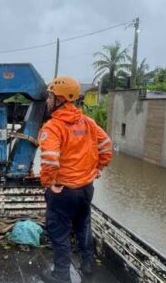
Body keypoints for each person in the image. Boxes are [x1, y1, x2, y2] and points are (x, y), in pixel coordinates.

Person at [39, 77, 113, 283]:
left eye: (50, 97)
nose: (47, 101)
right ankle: (87, 265)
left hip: (64, 191)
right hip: (86, 188)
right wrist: (98, 168)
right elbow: (107, 146)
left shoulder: (53, 127)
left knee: (59, 232)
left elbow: (50, 160)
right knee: (83, 226)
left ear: (59, 99)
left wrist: (49, 183)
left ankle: (61, 275)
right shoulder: (88, 122)